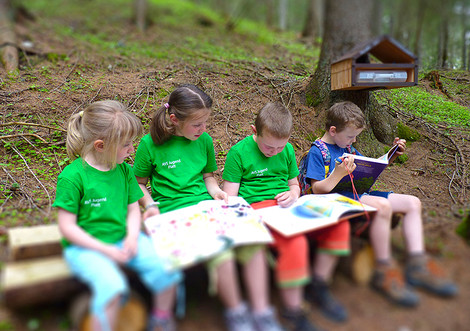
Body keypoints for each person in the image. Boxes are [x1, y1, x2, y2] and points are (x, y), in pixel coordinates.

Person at [133, 84, 284, 331]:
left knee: (254, 245)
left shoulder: (204, 140)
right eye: (197, 124)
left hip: (207, 209)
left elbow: (208, 176)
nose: (204, 129)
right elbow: (138, 184)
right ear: (174, 119)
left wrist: (216, 192)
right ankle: (237, 313)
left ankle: (261, 312)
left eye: (206, 122)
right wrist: (150, 204)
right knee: (221, 253)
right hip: (174, 213)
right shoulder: (150, 144)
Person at [302, 100, 458, 307]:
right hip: (335, 199)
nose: (354, 140)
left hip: (358, 193)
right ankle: (383, 270)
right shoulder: (318, 151)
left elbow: (366, 169)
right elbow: (317, 188)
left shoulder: (346, 146)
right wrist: (338, 173)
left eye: (355, 136)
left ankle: (417, 264)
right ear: (332, 130)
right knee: (383, 206)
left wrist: (389, 157)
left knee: (413, 203)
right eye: (350, 136)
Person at [53, 100, 182, 331]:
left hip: (122, 239)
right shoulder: (73, 178)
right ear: (101, 145)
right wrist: (106, 250)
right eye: (126, 145)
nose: (131, 150)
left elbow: (133, 208)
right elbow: (67, 228)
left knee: (167, 268)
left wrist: (132, 237)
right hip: (86, 248)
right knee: (112, 288)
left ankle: (161, 319)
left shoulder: (122, 170)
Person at [223, 102, 351, 331]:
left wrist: (293, 193)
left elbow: (294, 184)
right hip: (258, 211)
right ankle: (293, 310)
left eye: (279, 147)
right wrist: (249, 216)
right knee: (295, 242)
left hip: (290, 207)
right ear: (255, 131)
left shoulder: (288, 150)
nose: (274, 152)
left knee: (338, 226)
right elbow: (231, 198)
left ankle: (317, 287)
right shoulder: (238, 153)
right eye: (268, 147)